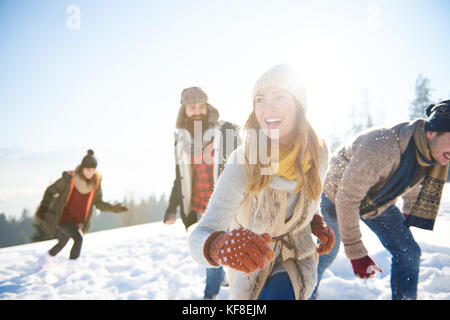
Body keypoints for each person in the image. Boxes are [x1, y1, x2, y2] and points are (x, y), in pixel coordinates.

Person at [188, 64, 335, 300]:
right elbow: (200, 235)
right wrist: (220, 245)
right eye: (260, 99)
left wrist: (313, 220)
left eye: (280, 97)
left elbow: (308, 197)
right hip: (251, 262)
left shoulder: (318, 154)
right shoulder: (243, 161)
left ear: (298, 105)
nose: (268, 108)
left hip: (296, 255)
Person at [311, 100, 450, 300]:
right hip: (337, 194)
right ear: (432, 132)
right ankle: (303, 293)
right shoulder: (383, 146)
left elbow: (411, 181)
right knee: (326, 253)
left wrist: (408, 212)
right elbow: (347, 197)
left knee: (409, 253)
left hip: (377, 200)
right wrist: (356, 251)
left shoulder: (429, 157)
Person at [163, 87, 241, 299]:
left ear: (207, 106)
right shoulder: (181, 140)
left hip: (223, 203)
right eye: (191, 107)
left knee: (213, 249)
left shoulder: (224, 131)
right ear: (184, 110)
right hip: (198, 204)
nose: (197, 111)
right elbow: (179, 177)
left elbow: (242, 164)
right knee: (212, 248)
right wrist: (172, 207)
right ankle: (219, 279)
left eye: (200, 106)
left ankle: (210, 295)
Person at [35, 149, 128, 262]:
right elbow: (50, 191)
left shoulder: (95, 183)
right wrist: (43, 207)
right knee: (78, 239)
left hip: (77, 220)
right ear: (82, 168)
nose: (90, 172)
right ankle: (72, 268)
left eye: (93, 170)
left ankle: (47, 258)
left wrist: (111, 208)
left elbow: (98, 202)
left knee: (64, 240)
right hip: (64, 217)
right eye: (88, 169)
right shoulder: (69, 180)